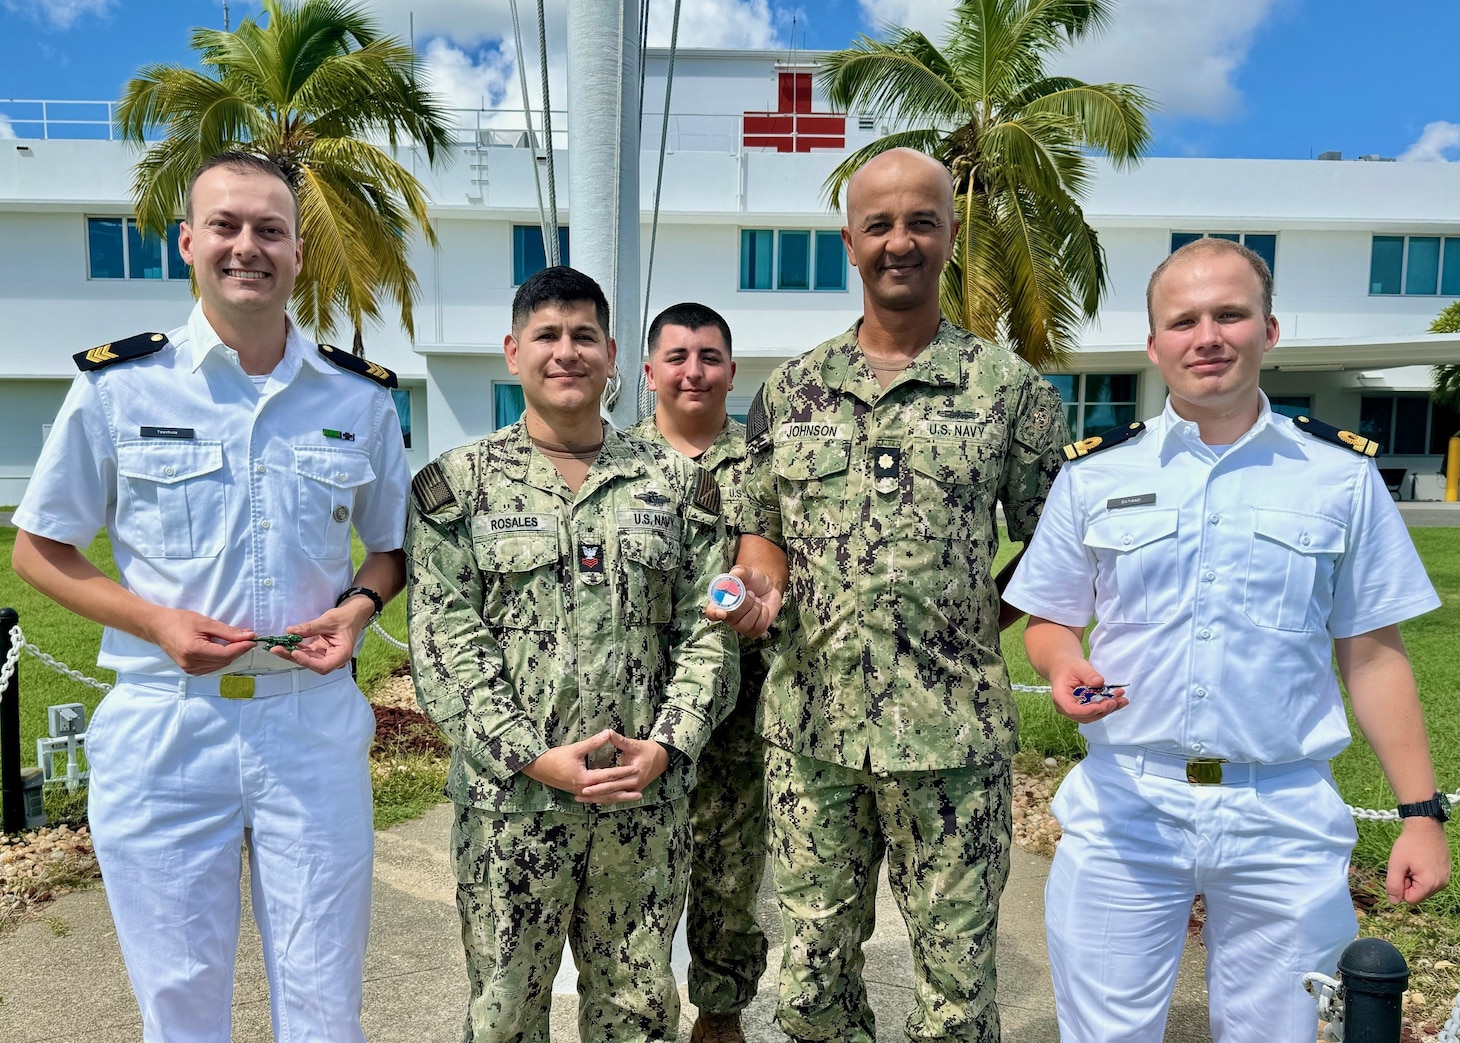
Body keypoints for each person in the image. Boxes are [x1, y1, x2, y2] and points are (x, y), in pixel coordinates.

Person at [1003, 236, 1452, 1043]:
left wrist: (1421, 814)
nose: (1206, 336)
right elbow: (1050, 618)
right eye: (1183, 320)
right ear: (1154, 344)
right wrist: (1065, 661)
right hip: (1128, 803)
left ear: (1269, 331)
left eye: (1229, 314)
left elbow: (1373, 652)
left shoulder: (1339, 476)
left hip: (1280, 811)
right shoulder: (1095, 473)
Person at [11, 151, 409, 1041]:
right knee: (180, 1005)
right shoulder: (119, 387)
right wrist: (154, 621)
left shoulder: (358, 399)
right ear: (188, 242)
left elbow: (390, 548)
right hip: (166, 721)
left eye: (270, 229)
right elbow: (39, 550)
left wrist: (358, 608)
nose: (247, 247)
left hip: (307, 721)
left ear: (299, 253)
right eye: (225, 226)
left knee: (323, 1000)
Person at [711, 147, 1069, 1043]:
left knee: (955, 988)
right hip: (812, 734)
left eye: (920, 221)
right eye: (879, 224)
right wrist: (755, 597)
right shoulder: (789, 391)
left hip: (954, 737)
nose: (899, 241)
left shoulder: (1010, 390)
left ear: (951, 234)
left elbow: (1058, 542)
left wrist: (982, 612)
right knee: (811, 979)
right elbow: (765, 542)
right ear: (850, 241)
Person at [404, 266, 738, 1043]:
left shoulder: (677, 486)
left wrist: (666, 745)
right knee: (504, 1015)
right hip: (511, 809)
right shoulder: (459, 487)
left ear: (614, 353)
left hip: (641, 806)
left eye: (584, 335)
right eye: (548, 336)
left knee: (639, 1012)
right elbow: (446, 643)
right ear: (514, 351)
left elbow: (708, 634)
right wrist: (531, 756)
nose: (567, 352)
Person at [627, 302, 770, 1043]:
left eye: (709, 356)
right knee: (636, 874)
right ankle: (633, 1010)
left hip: (743, 716)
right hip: (639, 712)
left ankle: (720, 1012)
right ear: (648, 371)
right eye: (677, 356)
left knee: (729, 874)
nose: (694, 370)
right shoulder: (614, 461)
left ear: (731, 372)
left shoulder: (764, 468)